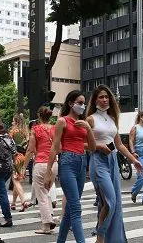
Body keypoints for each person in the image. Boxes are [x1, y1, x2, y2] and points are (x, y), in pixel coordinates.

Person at [86, 85, 143, 243]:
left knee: (112, 202)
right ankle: (100, 236)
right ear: (95, 99)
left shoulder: (112, 119)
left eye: (106, 97)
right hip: (98, 161)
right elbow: (81, 143)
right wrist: (98, 146)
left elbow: (119, 145)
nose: (104, 100)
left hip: (112, 161)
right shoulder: (90, 119)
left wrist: (134, 160)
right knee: (110, 201)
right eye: (101, 97)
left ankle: (111, 238)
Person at [44, 90, 96, 243]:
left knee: (71, 209)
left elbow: (92, 147)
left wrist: (88, 127)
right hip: (67, 162)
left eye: (83, 103)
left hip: (82, 162)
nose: (82, 105)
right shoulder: (63, 121)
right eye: (79, 103)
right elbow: (54, 147)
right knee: (76, 208)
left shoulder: (83, 122)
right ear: (70, 103)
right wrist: (48, 172)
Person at [23, 106, 59, 234]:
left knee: (42, 195)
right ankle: (50, 216)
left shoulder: (36, 129)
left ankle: (46, 225)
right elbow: (58, 147)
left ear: (39, 116)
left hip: (41, 164)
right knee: (46, 192)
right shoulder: (55, 128)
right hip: (54, 164)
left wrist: (23, 167)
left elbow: (30, 149)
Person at [9, 113, 31, 212]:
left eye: (13, 120)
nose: (12, 122)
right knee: (17, 180)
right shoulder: (26, 132)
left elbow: (9, 143)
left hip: (15, 156)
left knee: (15, 181)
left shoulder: (13, 131)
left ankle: (23, 201)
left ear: (16, 122)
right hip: (24, 157)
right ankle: (13, 203)